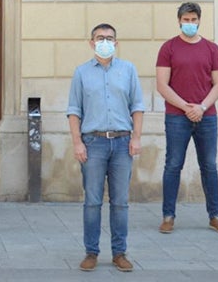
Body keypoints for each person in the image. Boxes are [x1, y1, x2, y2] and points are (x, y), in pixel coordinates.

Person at [67, 23, 144, 272]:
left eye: (109, 38)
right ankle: (91, 252)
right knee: (92, 201)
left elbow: (137, 106)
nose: (105, 42)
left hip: (122, 143)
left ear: (116, 43)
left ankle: (119, 253)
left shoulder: (128, 70)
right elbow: (74, 110)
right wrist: (77, 142)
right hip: (93, 143)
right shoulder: (81, 73)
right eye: (100, 38)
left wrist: (136, 138)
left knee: (120, 202)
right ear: (91, 43)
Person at [155, 2, 218, 235]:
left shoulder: (211, 49)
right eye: (186, 20)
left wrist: (202, 107)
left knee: (209, 166)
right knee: (173, 165)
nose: (190, 23)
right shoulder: (168, 48)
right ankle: (168, 216)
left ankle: (215, 216)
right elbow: (162, 85)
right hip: (177, 116)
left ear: (199, 21)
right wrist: (186, 107)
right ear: (179, 21)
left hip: (207, 117)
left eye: (193, 20)